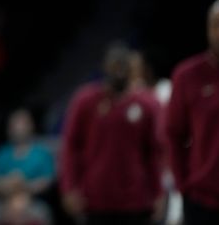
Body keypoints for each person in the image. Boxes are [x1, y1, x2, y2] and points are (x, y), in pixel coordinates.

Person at [58, 44, 164, 225]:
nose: (119, 71)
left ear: (131, 69)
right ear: (105, 66)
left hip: (136, 200)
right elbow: (71, 146)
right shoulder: (85, 100)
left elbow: (154, 153)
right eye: (115, 65)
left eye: (123, 66)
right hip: (95, 200)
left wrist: (159, 193)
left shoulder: (148, 104)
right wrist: (69, 187)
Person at [165, 0, 219, 225]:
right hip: (203, 201)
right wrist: (184, 185)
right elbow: (173, 135)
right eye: (217, 25)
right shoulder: (188, 75)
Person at [0, 108, 55, 225]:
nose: (19, 128)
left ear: (31, 126)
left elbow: (47, 180)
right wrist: (8, 185)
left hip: (33, 201)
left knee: (43, 213)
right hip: (4, 201)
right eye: (15, 124)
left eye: (23, 123)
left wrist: (24, 186)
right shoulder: (1, 153)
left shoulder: (41, 153)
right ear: (9, 128)